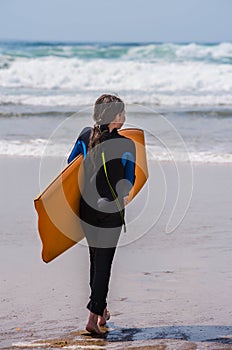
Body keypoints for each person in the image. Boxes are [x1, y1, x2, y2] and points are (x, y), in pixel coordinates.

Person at [68, 94, 136, 335]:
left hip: (86, 209)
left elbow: (71, 165)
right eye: (123, 114)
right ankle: (92, 318)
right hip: (110, 211)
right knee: (104, 266)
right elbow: (129, 182)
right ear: (115, 118)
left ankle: (102, 310)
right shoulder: (128, 145)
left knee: (95, 260)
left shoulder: (84, 136)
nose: (125, 117)